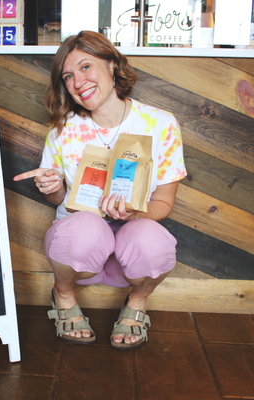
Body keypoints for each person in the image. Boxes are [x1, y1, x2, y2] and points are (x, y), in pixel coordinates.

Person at [13, 31, 186, 349]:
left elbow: (163, 201)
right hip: (79, 250)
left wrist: (136, 212)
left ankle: (136, 302)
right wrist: (51, 187)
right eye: (68, 76)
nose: (78, 82)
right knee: (85, 227)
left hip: (129, 251)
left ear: (112, 65)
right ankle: (63, 295)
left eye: (85, 67)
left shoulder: (161, 124)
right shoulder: (63, 130)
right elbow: (62, 201)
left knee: (155, 241)